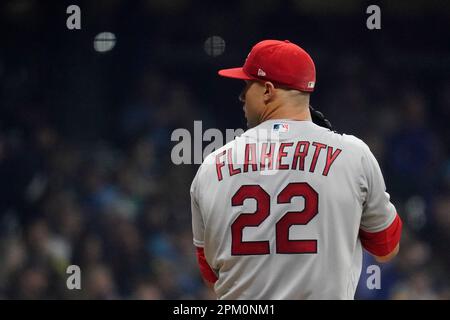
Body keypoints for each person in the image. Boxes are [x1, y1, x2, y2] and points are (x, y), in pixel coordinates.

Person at [190, 39, 402, 299]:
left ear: (268, 90)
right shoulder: (353, 155)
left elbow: (211, 276)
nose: (242, 95)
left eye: (247, 85)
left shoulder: (211, 167)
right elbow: (386, 249)